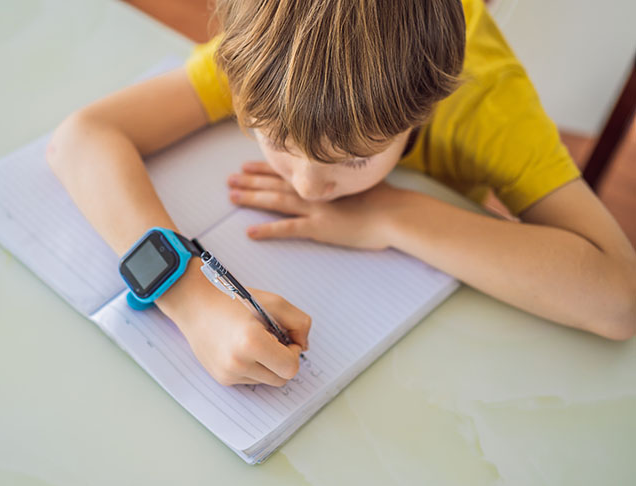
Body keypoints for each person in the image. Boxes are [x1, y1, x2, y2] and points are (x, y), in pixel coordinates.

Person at [46, 0, 636, 386]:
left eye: (353, 159)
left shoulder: (484, 99)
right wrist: (192, 300)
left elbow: (618, 296)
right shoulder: (272, 52)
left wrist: (391, 214)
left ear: (424, 111)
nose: (306, 185)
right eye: (271, 136)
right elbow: (81, 139)